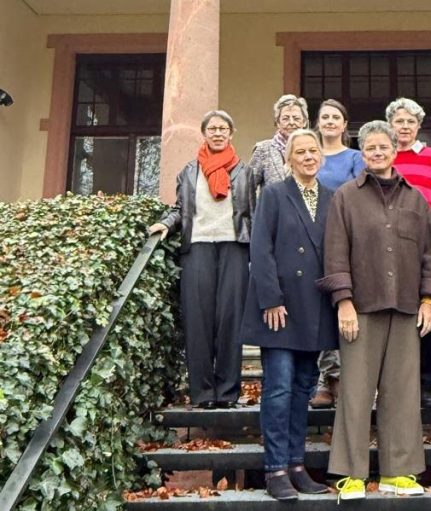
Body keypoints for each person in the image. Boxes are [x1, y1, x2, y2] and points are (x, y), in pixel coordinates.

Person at [317, 121, 431, 501]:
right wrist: (343, 301)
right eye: (370, 147)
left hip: (406, 307)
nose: (377, 152)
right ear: (363, 152)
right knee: (355, 393)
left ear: (393, 151)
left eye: (383, 147)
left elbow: (430, 254)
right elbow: (335, 253)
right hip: (361, 308)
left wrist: (428, 300)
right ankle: (351, 474)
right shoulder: (346, 197)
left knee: (402, 393)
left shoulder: (415, 199)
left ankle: (398, 472)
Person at [240, 129, 336, 500]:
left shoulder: (332, 197)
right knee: (279, 389)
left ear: (321, 157)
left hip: (314, 307)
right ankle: (275, 469)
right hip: (279, 308)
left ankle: (296, 465)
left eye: (313, 151)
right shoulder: (275, 194)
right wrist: (270, 299)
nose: (308, 157)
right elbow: (260, 247)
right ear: (289, 159)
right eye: (301, 152)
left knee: (302, 390)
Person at [148, 110, 254, 409]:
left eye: (223, 128)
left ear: (231, 133)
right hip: (197, 247)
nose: (218, 133)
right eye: (212, 129)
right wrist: (165, 224)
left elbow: (253, 211)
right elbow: (180, 208)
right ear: (204, 133)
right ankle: (203, 393)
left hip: (234, 246)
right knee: (198, 319)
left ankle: (228, 392)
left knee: (230, 319)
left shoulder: (245, 172)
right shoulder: (189, 171)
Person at [385, 97, 431, 409]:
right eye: (399, 121)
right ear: (390, 125)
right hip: (390, 243)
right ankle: (394, 385)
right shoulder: (385, 156)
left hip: (425, 241)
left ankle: (424, 386)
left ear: (419, 125)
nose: (405, 127)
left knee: (424, 311)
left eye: (411, 121)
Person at [310, 99, 365, 410]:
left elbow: (359, 194)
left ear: (345, 125)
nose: (330, 121)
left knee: (344, 306)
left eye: (336, 117)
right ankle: (326, 378)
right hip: (313, 240)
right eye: (325, 117)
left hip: (346, 239)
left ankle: (343, 377)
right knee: (320, 312)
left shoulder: (355, 158)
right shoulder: (310, 154)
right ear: (318, 123)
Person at [247, 94, 309, 193]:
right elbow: (247, 187)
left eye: (296, 118)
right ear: (278, 123)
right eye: (285, 118)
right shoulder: (264, 149)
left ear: (304, 122)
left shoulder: (312, 150)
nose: (291, 122)